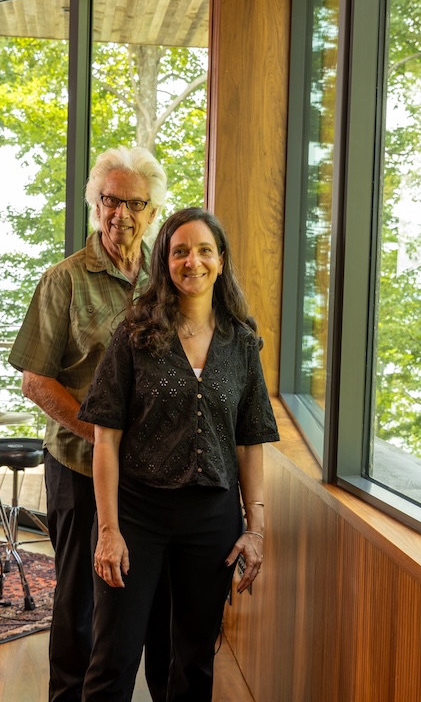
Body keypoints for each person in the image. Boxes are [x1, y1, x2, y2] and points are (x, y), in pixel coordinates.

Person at [78, 207, 280, 701]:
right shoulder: (133, 335)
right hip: (137, 514)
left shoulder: (242, 342)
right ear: (165, 262)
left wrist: (254, 530)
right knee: (114, 659)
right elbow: (106, 440)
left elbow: (250, 441)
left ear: (221, 259)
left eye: (204, 250)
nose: (193, 261)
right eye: (180, 251)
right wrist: (108, 532)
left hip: (211, 519)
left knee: (193, 663)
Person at [8, 147, 171, 702]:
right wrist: (101, 436)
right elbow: (36, 381)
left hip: (153, 476)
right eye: (109, 200)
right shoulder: (65, 281)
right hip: (79, 466)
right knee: (79, 600)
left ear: (151, 213)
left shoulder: (168, 279)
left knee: (143, 600)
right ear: (93, 204)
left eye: (134, 203)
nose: (120, 214)